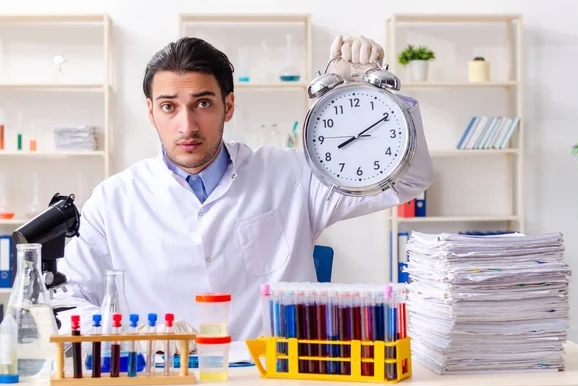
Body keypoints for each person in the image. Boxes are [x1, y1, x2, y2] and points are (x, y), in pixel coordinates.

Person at [54, 34, 434, 343]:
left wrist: (374, 92)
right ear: (151, 111)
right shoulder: (113, 199)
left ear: (228, 105)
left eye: (202, 103)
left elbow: (410, 179)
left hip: (277, 379)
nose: (187, 126)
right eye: (169, 107)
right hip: (168, 377)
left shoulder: (293, 173)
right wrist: (130, 337)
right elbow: (70, 296)